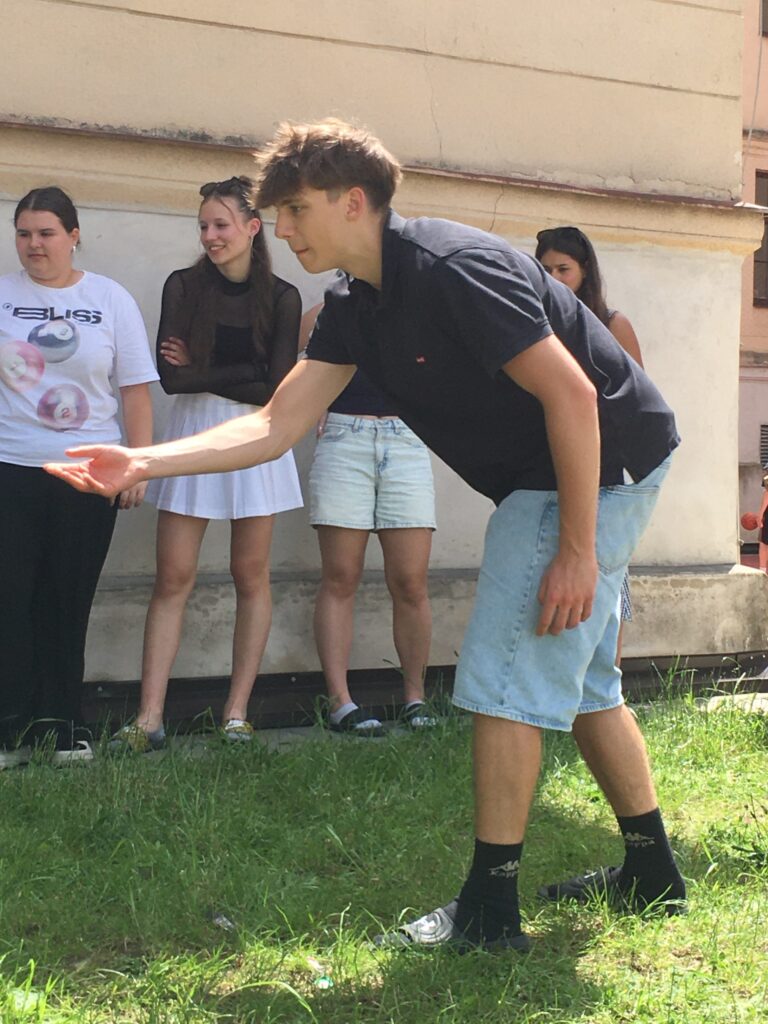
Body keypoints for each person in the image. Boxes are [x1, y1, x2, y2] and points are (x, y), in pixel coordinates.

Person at [46, 120, 687, 948]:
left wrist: (575, 548)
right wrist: (142, 460)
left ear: (354, 202)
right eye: (277, 213)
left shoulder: (454, 269)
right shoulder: (355, 305)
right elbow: (276, 424)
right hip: (570, 470)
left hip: (595, 466)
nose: (282, 230)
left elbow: (572, 396)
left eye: (296, 210)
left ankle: (490, 914)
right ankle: (652, 873)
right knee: (587, 683)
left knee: (501, 681)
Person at [110, 176, 303, 752]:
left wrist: (206, 369)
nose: (211, 235)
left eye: (221, 224)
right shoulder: (183, 286)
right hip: (193, 434)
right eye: (203, 226)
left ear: (252, 228)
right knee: (172, 576)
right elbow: (172, 380)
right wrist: (240, 372)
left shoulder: (284, 297)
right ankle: (149, 718)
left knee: (251, 574)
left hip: (259, 441)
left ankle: (236, 714)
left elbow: (276, 388)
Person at [0, 186, 157, 766]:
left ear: (73, 235)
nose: (34, 245)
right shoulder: (2, 296)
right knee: (10, 601)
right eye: (23, 234)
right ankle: (10, 730)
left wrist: (138, 465)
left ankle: (65, 727)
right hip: (11, 468)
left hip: (88, 476)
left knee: (67, 601)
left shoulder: (109, 298)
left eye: (46, 233)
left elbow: (134, 390)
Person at [307, 339, 436, 735]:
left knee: (410, 580)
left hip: (407, 436)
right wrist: (311, 399)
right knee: (341, 575)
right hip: (343, 434)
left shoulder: (421, 312)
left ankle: (416, 698)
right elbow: (285, 346)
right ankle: (340, 703)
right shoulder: (331, 312)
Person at [535, 225, 643, 663]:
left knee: (609, 575)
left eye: (564, 269)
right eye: (545, 269)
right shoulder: (534, 325)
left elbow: (638, 399)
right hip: (541, 465)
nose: (554, 278)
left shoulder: (612, 324)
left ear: (585, 272)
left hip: (603, 468)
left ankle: (607, 679)